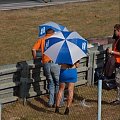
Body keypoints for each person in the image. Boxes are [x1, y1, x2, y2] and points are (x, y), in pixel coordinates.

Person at [32, 28, 63, 107]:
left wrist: (35, 58)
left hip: (46, 63)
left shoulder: (42, 39)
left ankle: (50, 102)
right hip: (54, 63)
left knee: (50, 83)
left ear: (46, 33)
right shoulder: (55, 40)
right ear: (52, 33)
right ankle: (59, 102)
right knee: (58, 83)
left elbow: (33, 49)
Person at [108, 24, 120, 105]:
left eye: (115, 30)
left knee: (118, 81)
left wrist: (112, 52)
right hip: (117, 62)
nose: (114, 32)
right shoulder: (117, 39)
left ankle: (119, 99)